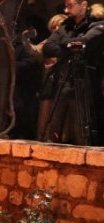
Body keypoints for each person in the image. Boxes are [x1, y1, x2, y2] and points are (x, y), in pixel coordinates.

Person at [42, 0, 104, 145]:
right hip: (65, 80)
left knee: (81, 130)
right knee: (55, 125)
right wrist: (70, 46)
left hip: (85, 82)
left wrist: (64, 40)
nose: (66, 11)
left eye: (70, 6)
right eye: (66, 6)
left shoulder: (97, 25)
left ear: (83, 4)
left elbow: (83, 43)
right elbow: (48, 48)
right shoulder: (66, 26)